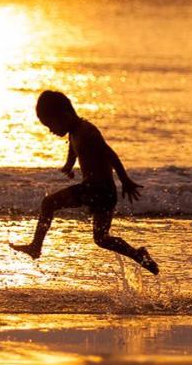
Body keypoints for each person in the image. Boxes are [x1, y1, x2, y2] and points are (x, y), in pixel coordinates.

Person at [10, 90, 159, 274]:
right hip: (103, 192)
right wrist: (69, 165)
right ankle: (138, 255)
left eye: (51, 125)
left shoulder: (88, 132)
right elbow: (73, 148)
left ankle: (36, 246)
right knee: (101, 239)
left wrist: (125, 179)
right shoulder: (74, 132)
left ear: (64, 115)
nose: (51, 131)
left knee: (48, 203)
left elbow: (109, 154)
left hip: (97, 189)